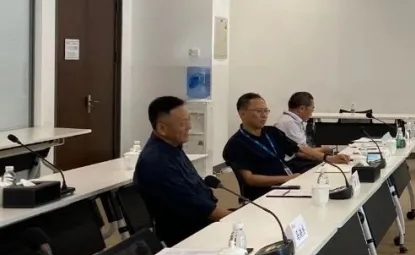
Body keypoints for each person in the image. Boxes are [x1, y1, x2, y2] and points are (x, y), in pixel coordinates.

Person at [134, 96, 231, 246]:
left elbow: (196, 188)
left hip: (203, 221)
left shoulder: (172, 147)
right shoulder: (156, 162)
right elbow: (196, 206)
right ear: (162, 128)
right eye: (183, 123)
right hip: (188, 236)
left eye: (188, 121)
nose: (189, 127)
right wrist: (233, 221)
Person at [223, 93, 351, 200]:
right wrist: (287, 179)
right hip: (267, 193)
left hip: (288, 184)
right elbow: (250, 179)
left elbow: (300, 149)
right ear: (242, 114)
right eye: (258, 111)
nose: (264, 115)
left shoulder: (271, 132)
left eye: (266, 111)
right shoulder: (236, 144)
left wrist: (329, 158)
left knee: (328, 188)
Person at [274, 91, 334, 172]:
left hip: (297, 160)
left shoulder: (292, 120)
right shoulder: (288, 123)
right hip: (290, 163)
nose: (312, 112)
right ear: (302, 109)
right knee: (327, 168)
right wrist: (325, 151)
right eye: (312, 108)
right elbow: (303, 153)